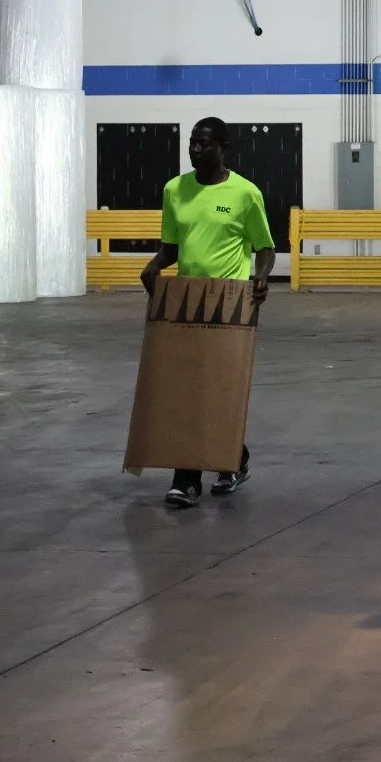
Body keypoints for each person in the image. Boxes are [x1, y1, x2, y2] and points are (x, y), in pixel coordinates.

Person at [140, 116, 276, 509]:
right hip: (186, 304)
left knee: (219, 391)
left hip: (229, 307)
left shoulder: (245, 193)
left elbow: (265, 247)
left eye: (204, 144)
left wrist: (261, 277)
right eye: (192, 143)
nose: (195, 150)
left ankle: (232, 459)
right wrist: (154, 267)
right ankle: (189, 479)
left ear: (223, 147)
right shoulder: (174, 190)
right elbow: (172, 248)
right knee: (186, 390)